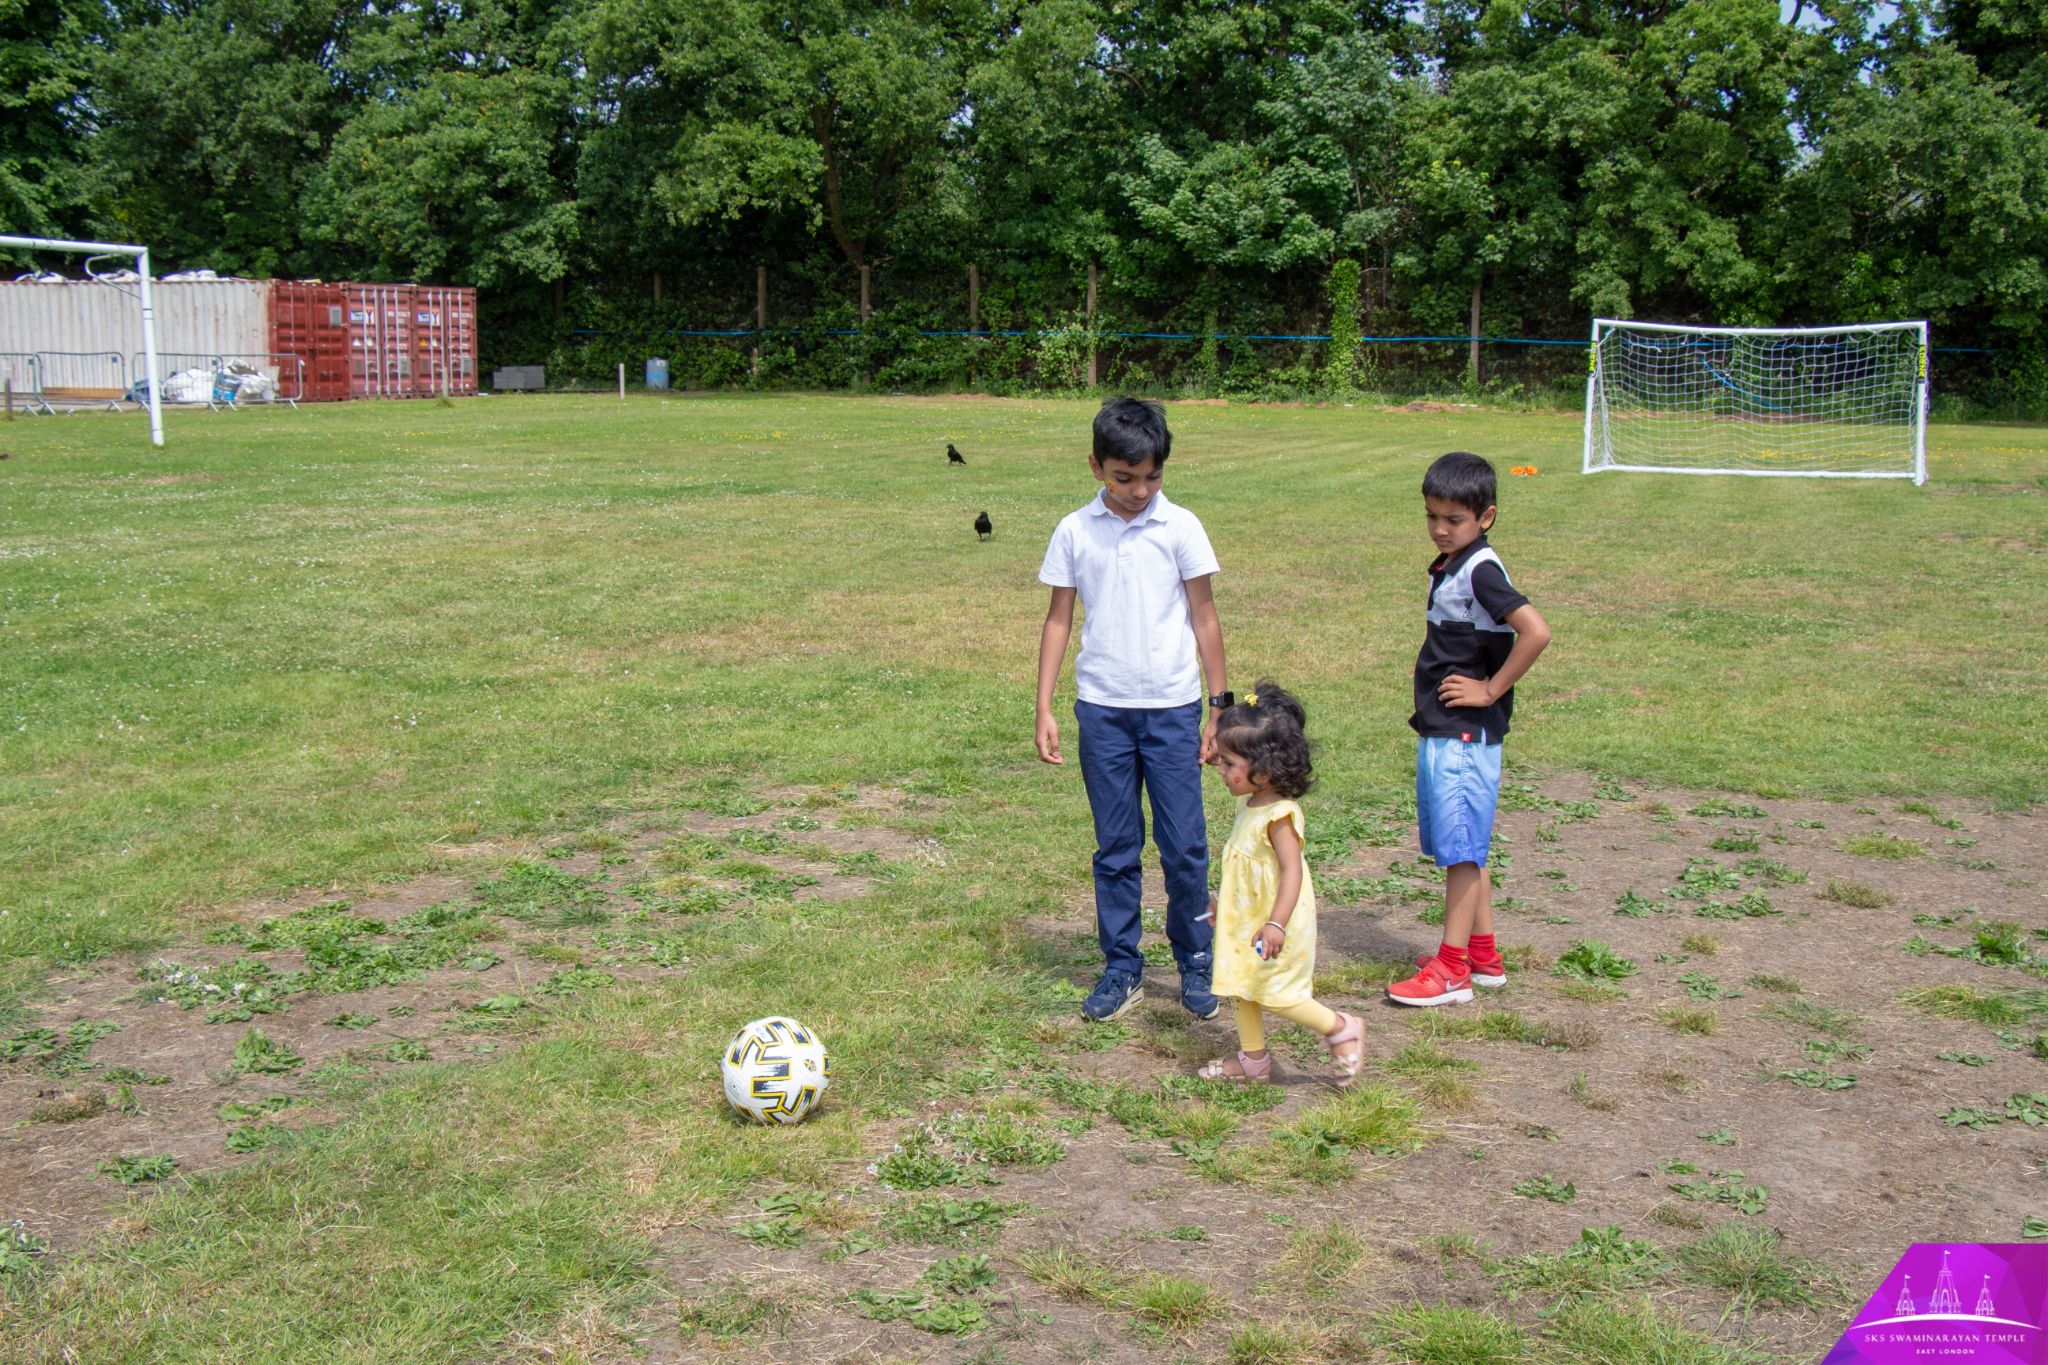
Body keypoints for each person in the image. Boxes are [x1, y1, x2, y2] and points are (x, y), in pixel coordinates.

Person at [1036, 397, 1230, 1023]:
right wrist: (1044, 706)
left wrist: (1218, 708)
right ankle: (1122, 966)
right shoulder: (1074, 530)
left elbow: (1204, 616)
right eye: (1124, 477)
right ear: (1096, 467)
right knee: (1116, 847)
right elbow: (1059, 619)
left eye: (1152, 477)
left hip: (1173, 710)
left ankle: (1198, 961)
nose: (1139, 490)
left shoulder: (1181, 528)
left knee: (1185, 846)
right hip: (1104, 713)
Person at [1385, 452, 1552, 1008]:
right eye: (1432, 516)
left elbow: (1535, 631)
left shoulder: (1481, 569)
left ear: (1486, 517)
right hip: (1443, 727)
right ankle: (1482, 956)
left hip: (1464, 734)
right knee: (1465, 849)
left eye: (1453, 519)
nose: (1439, 528)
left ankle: (1451, 971)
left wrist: (1489, 689)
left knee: (1460, 853)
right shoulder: (1453, 562)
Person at [1197, 682, 1364, 1084]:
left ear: (1265, 770)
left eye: (1228, 763)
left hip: (1276, 920)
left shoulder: (1280, 817)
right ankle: (1253, 1059)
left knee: (1280, 993)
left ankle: (1340, 1027)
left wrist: (1276, 923)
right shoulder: (1251, 803)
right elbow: (1247, 869)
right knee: (1241, 984)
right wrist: (1229, 907)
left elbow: (1292, 872)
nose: (1220, 770)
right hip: (1250, 917)